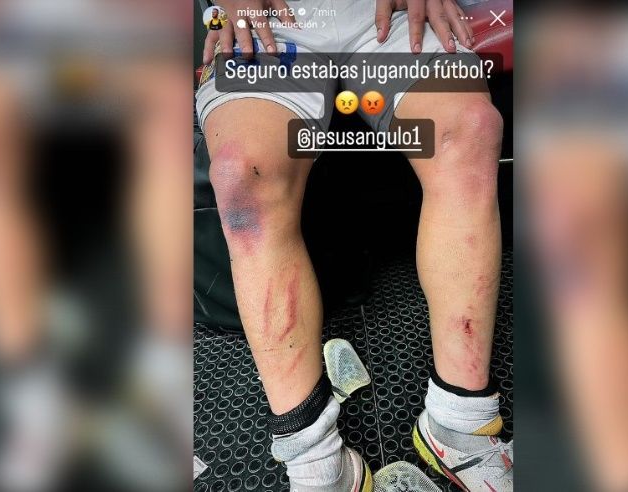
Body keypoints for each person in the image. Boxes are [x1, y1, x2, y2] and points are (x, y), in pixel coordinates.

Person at [197, 1, 511, 490]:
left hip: (386, 12)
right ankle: (315, 461)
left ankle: (461, 426)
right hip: (274, 21)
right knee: (243, 176)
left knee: (468, 129)